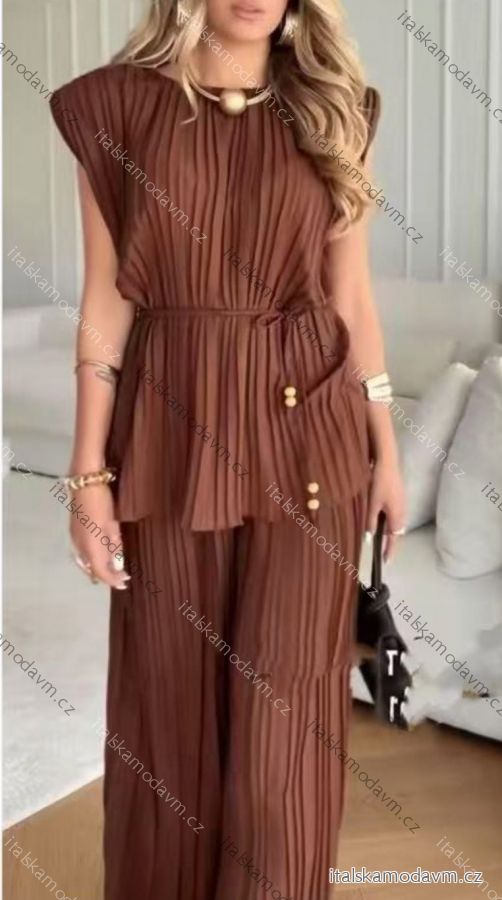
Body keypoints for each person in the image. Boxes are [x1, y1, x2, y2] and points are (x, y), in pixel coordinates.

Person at [50, 0, 405, 897]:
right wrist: (87, 475)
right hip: (170, 430)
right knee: (167, 715)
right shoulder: (113, 107)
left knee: (287, 732)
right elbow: (106, 301)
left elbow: (350, 299)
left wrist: (386, 451)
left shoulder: (335, 107)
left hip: (313, 442)